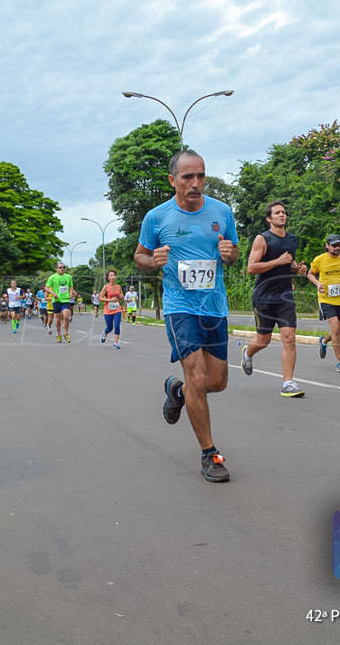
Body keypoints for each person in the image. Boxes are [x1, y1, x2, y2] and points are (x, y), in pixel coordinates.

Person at [134, 150, 239, 483]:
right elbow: (140, 255)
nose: (196, 184)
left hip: (214, 306)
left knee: (216, 382)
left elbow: (234, 251)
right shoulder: (156, 217)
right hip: (180, 307)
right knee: (197, 377)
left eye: (201, 176)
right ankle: (211, 454)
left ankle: (176, 392)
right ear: (173, 180)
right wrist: (153, 261)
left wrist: (229, 253)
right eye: (187, 177)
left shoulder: (222, 212)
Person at [240, 201, 309, 397]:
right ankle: (248, 352)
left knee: (289, 338)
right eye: (277, 213)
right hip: (263, 297)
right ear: (269, 219)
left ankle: (288, 383)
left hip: (285, 296)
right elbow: (252, 267)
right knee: (263, 341)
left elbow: (289, 261)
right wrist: (277, 262)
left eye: (284, 212)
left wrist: (297, 268)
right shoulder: (262, 239)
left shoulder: (292, 240)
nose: (282, 215)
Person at [307, 235, 340, 372]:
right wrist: (317, 283)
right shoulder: (320, 259)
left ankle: (323, 342)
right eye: (334, 245)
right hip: (326, 299)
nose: (337, 248)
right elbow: (310, 274)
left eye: (339, 245)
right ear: (327, 246)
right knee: (335, 328)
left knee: (337, 332)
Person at [45, 262, 77, 342]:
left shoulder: (68, 277)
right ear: (57, 269)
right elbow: (46, 287)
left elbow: (71, 286)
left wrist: (70, 293)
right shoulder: (52, 277)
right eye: (60, 267)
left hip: (66, 300)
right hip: (57, 301)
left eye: (63, 267)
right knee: (58, 319)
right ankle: (59, 333)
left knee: (66, 317)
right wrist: (52, 293)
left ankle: (66, 333)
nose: (62, 269)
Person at [98, 269, 124, 350]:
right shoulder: (106, 287)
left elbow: (122, 295)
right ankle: (105, 333)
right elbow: (100, 298)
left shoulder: (118, 287)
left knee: (117, 325)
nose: (113, 277)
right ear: (108, 278)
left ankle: (116, 342)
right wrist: (110, 300)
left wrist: (120, 297)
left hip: (117, 309)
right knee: (110, 328)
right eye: (111, 275)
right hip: (108, 310)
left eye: (114, 275)